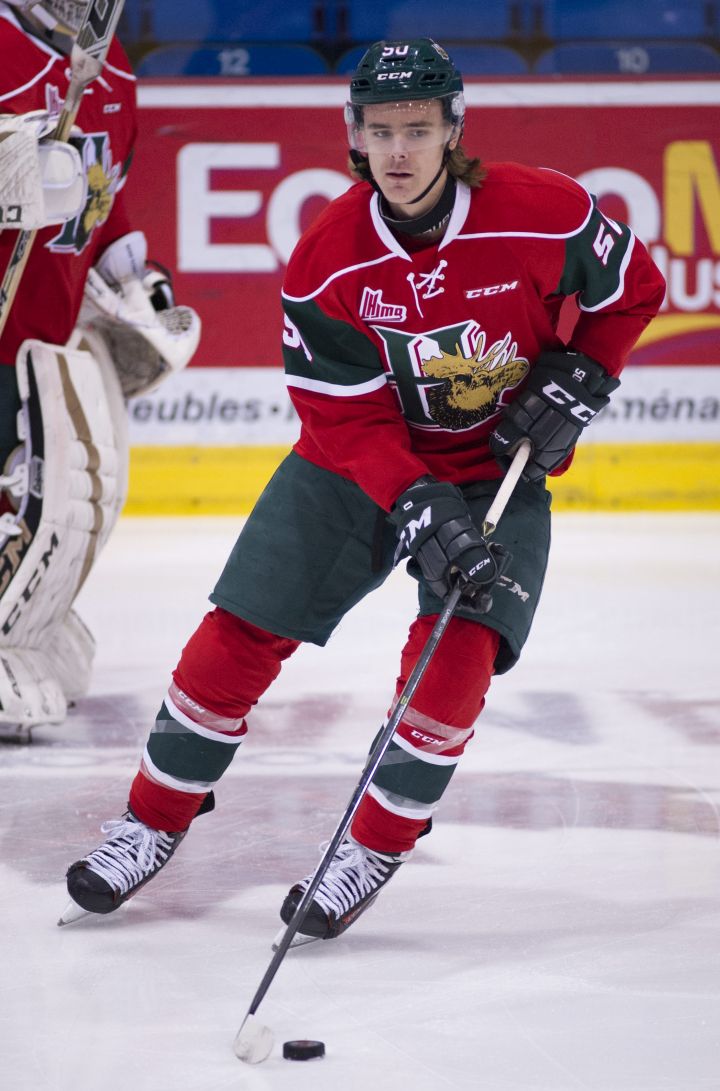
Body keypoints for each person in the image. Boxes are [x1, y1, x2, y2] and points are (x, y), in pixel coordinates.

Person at [61, 39, 664, 936]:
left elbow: (636, 287)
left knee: (456, 658)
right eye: (380, 131)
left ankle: (373, 844)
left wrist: (582, 373)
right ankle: (150, 821)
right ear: (354, 135)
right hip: (356, 468)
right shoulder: (328, 259)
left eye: (418, 129)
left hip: (496, 468)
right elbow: (343, 418)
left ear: (454, 130)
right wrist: (414, 498)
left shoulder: (544, 211)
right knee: (238, 631)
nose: (398, 151)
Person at [0, 0, 200, 742]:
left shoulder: (110, 66)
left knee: (69, 483)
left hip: (44, 332)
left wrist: (131, 273)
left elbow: (102, 194)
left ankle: (29, 622)